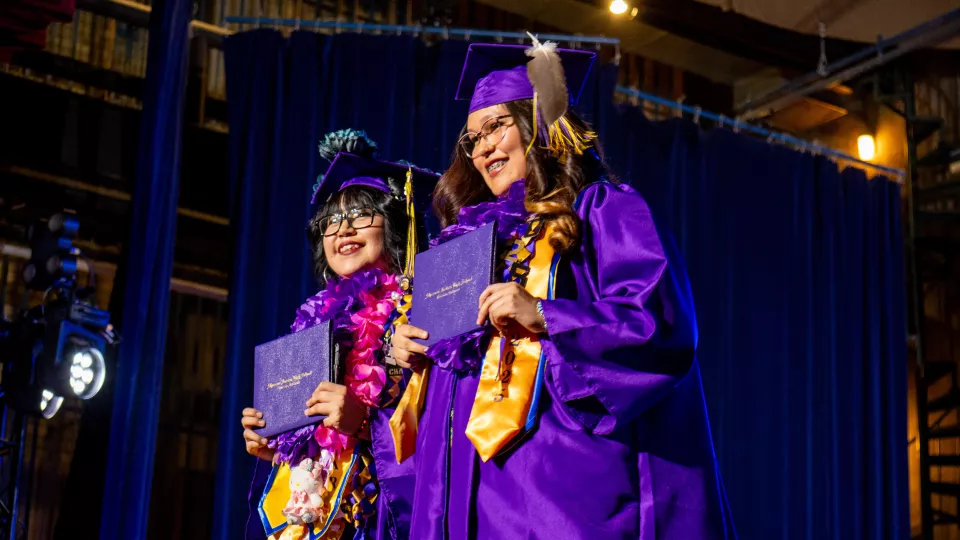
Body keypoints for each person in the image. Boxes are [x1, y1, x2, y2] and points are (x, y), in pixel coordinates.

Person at [388, 41, 737, 539]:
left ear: (538, 124)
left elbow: (658, 326)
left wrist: (547, 314)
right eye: (471, 139)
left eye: (496, 126)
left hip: (556, 493)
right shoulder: (462, 251)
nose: (483, 147)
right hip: (466, 497)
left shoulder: (601, 209)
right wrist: (419, 357)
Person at [240, 129, 437, 540]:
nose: (343, 230)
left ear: (394, 226)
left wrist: (364, 423)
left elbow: (443, 430)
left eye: (362, 215)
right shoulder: (313, 329)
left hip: (386, 517)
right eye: (331, 221)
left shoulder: (421, 309)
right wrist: (277, 443)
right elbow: (319, 454)